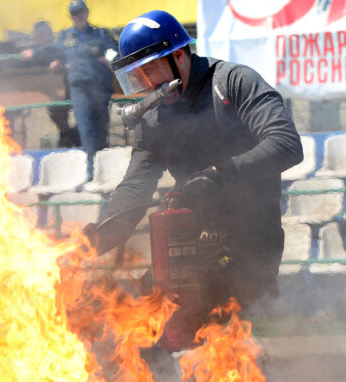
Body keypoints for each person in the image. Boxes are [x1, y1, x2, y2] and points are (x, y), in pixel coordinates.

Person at [85, 10, 303, 327]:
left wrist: (219, 175)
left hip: (251, 246)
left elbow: (286, 143)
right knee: (137, 325)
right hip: (190, 243)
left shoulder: (233, 82)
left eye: (150, 70)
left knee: (196, 332)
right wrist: (95, 241)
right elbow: (135, 187)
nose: (147, 85)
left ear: (178, 55)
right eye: (137, 77)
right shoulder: (153, 119)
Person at [52, 0, 118, 180]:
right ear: (70, 16)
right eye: (74, 13)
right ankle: (91, 174)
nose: (78, 16)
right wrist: (51, 61)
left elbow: (115, 50)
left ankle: (105, 173)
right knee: (86, 130)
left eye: (80, 12)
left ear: (87, 12)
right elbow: (54, 52)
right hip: (80, 89)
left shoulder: (100, 33)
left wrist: (108, 58)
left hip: (100, 88)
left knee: (102, 129)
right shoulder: (65, 37)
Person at [20, 21, 81, 148]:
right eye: (38, 34)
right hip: (53, 93)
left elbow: (58, 52)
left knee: (82, 109)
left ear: (50, 34)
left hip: (74, 87)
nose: (41, 36)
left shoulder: (58, 46)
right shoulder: (35, 52)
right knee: (56, 110)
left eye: (44, 33)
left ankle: (74, 134)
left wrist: (59, 65)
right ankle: (68, 134)